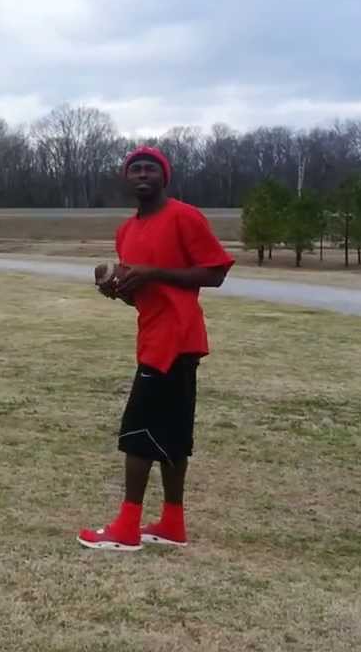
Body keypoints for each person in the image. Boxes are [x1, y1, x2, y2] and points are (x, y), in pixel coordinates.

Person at [77, 145, 235, 552]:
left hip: (176, 338)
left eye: (150, 168)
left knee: (138, 434)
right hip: (153, 334)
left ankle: (127, 529)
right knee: (173, 437)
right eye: (135, 169)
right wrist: (117, 290)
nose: (142, 174)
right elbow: (141, 293)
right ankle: (172, 523)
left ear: (165, 177)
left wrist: (153, 272)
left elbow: (215, 273)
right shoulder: (126, 232)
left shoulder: (184, 216)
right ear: (126, 179)